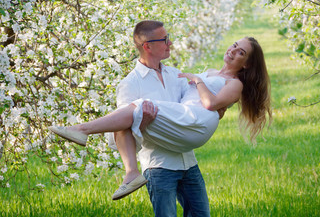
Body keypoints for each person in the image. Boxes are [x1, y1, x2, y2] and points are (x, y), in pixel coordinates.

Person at [49, 21, 272, 216]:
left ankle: (82, 130)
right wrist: (141, 125)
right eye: (165, 39)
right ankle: (116, 161)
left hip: (187, 161)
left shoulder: (176, 75)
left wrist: (218, 109)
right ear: (148, 46)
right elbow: (117, 135)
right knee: (134, 110)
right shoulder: (130, 83)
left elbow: (199, 105)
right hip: (159, 165)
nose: (171, 43)